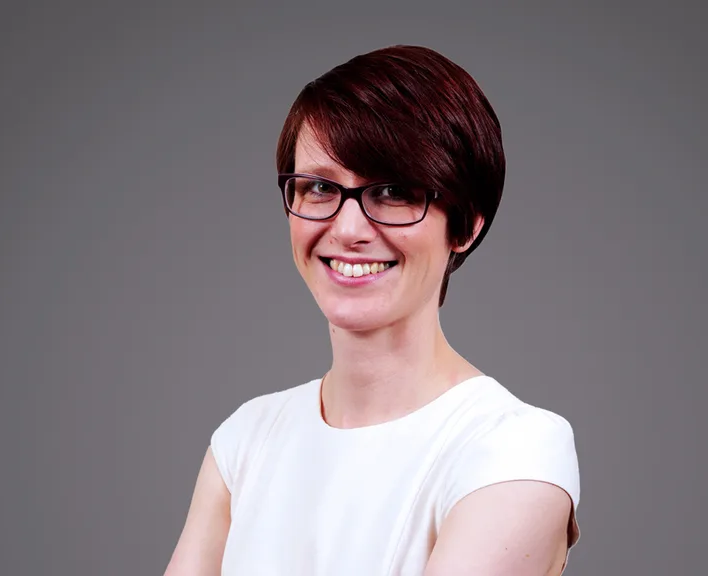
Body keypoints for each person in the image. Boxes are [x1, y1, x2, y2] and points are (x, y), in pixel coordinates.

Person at [165, 44, 580, 576]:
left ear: (467, 224)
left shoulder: (514, 448)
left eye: (393, 191)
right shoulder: (246, 438)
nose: (348, 229)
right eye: (318, 187)